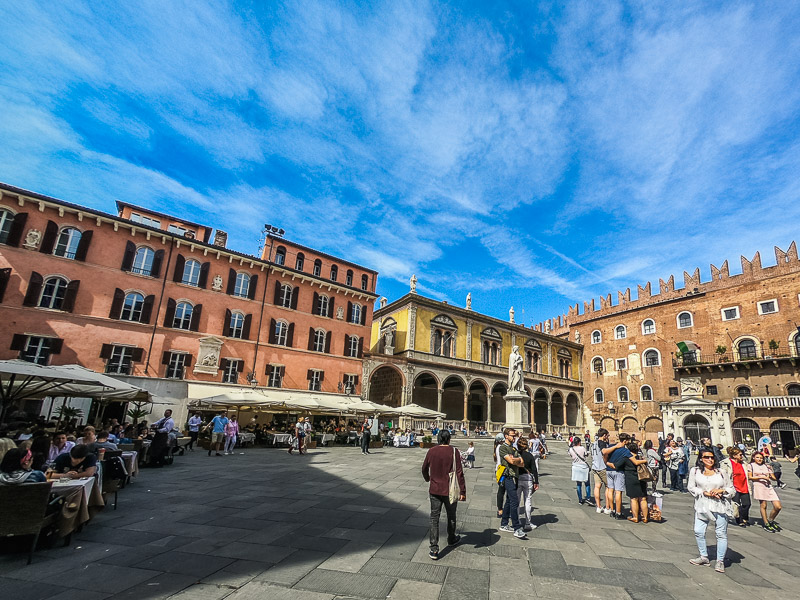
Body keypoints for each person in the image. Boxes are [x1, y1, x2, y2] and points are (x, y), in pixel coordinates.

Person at [421, 429, 466, 560]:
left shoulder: (431, 451)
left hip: (434, 489)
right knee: (451, 516)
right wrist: (462, 491)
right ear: (449, 439)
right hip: (450, 490)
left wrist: (427, 478)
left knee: (434, 518)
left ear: (438, 438)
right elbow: (459, 472)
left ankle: (434, 549)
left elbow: (424, 468)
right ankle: (451, 538)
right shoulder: (454, 451)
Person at [687, 449, 734, 573]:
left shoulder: (721, 472)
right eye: (706, 457)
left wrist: (721, 491)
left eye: (712, 457)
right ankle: (704, 557)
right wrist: (703, 492)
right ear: (701, 458)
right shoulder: (695, 471)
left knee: (721, 533)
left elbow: (731, 489)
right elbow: (691, 487)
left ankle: (720, 561)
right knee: (698, 531)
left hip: (719, 505)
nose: (710, 460)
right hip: (702, 505)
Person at [497, 428, 527, 539]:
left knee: (509, 500)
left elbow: (522, 463)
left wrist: (516, 459)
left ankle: (504, 523)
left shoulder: (513, 448)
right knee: (515, 500)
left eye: (515, 436)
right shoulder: (503, 448)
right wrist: (517, 459)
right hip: (507, 477)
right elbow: (511, 461)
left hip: (514, 477)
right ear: (506, 436)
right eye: (512, 435)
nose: (514, 437)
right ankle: (517, 527)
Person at [747, 451, 782, 532]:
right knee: (763, 505)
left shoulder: (766, 466)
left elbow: (773, 478)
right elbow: (750, 477)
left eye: (761, 458)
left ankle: (771, 520)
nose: (759, 459)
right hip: (759, 486)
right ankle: (766, 523)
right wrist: (761, 477)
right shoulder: (751, 465)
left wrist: (771, 472)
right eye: (757, 457)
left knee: (778, 506)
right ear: (753, 458)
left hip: (768, 486)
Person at [617, 441, 649, 522]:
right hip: (642, 478)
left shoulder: (626, 458)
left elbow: (617, 465)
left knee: (634, 498)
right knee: (643, 498)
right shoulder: (640, 458)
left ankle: (635, 517)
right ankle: (645, 517)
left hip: (631, 479)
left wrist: (609, 464)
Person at [602, 432, 632, 519]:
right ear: (625, 441)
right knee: (618, 492)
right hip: (618, 471)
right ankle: (618, 512)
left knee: (610, 490)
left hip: (609, 471)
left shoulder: (612, 446)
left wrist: (606, 462)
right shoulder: (625, 451)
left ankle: (612, 510)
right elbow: (632, 459)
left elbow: (604, 453)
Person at [721, 446, 751, 527]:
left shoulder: (744, 464)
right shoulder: (726, 463)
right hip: (734, 486)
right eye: (740, 455)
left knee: (747, 504)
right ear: (734, 456)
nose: (742, 456)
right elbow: (723, 475)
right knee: (736, 504)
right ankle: (739, 520)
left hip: (744, 486)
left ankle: (744, 517)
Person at [516, 437, 540, 531]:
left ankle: (517, 521)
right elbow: (534, 469)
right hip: (528, 479)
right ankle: (527, 523)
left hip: (517, 478)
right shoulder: (529, 455)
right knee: (528, 500)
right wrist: (536, 481)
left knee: (517, 501)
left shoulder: (516, 454)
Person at [591, 428, 611, 514]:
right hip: (603, 467)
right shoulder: (603, 444)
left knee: (597, 486)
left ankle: (598, 506)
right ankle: (607, 507)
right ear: (604, 435)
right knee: (608, 487)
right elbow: (604, 453)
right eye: (607, 435)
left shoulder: (593, 444)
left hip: (595, 466)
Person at [568, 436, 592, 505]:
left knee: (579, 484)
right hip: (583, 467)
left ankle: (580, 499)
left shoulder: (571, 449)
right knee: (587, 483)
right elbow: (586, 455)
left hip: (576, 467)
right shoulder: (582, 448)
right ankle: (588, 498)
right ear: (579, 442)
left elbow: (571, 456)